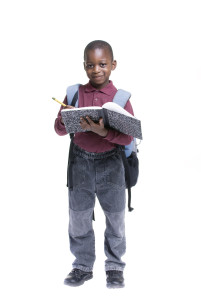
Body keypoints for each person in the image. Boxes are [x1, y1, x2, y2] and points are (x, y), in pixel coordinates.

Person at [54, 40, 134, 288]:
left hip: (112, 165)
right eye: (90, 65)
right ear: (84, 66)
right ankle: (82, 266)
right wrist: (70, 119)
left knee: (115, 218)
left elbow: (128, 136)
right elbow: (57, 129)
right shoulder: (75, 93)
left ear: (113, 65)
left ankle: (114, 267)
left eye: (102, 64)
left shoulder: (120, 98)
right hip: (80, 164)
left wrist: (102, 132)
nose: (96, 69)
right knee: (78, 218)